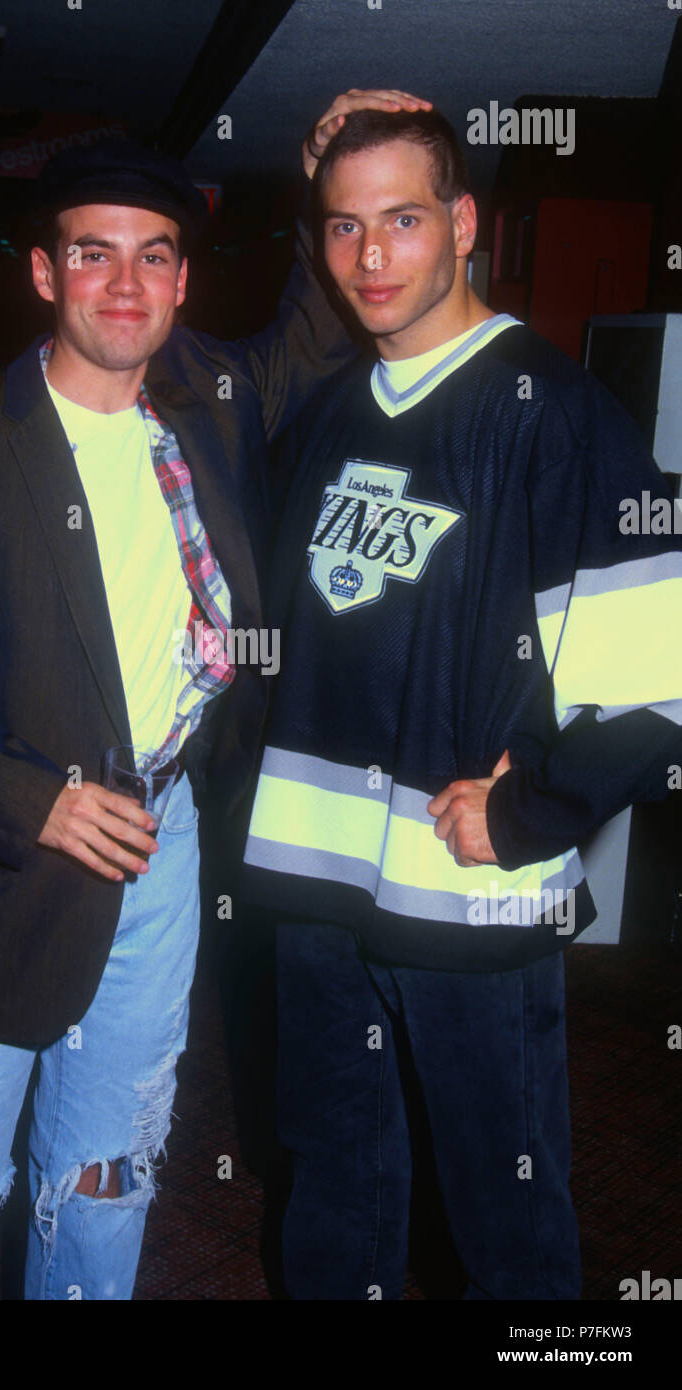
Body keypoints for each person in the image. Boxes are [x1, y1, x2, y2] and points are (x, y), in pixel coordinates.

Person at [0, 91, 428, 1302]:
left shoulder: (211, 406)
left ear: (184, 284)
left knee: (105, 1167)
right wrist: (27, 799)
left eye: (155, 258)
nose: (127, 286)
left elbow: (317, 322)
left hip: (164, 841)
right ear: (45, 271)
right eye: (94, 254)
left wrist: (321, 180)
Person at [241, 106, 682, 1300]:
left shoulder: (552, 410)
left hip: (469, 888)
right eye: (345, 226)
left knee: (507, 1207)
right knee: (336, 1181)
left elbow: (654, 662)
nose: (372, 257)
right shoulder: (333, 410)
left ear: (466, 226)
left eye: (403, 218)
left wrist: (536, 813)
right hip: (317, 877)